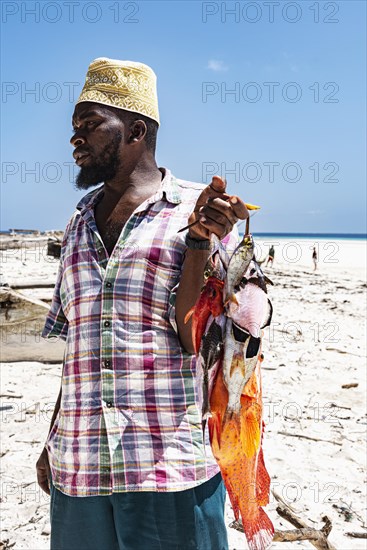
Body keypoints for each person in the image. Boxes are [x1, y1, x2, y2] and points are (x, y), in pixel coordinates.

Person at [36, 57, 248, 550]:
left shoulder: (200, 212)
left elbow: (197, 338)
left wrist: (200, 242)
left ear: (135, 130)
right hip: (80, 468)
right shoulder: (76, 223)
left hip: (167, 468)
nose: (75, 139)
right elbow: (80, 351)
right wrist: (52, 441)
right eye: (74, 127)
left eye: (90, 124)